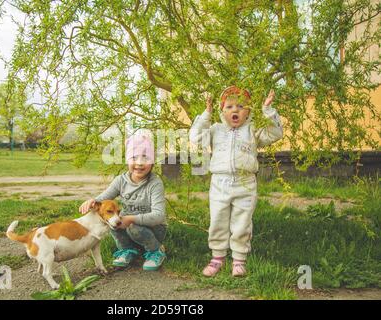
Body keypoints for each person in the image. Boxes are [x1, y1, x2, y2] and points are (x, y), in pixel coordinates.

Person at [189, 85, 283, 277]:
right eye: (229, 106)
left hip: (245, 183)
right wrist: (206, 114)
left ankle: (239, 259)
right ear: (222, 111)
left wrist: (268, 111)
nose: (235, 110)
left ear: (248, 110)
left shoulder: (252, 130)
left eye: (240, 106)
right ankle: (217, 258)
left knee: (242, 221)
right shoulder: (215, 129)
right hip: (220, 183)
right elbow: (195, 137)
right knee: (218, 219)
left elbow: (276, 134)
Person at [79, 134, 167, 271]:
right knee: (113, 221)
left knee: (133, 226)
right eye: (134, 158)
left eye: (145, 157)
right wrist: (93, 201)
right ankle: (128, 250)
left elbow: (159, 215)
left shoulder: (155, 183)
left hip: (154, 228)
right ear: (127, 160)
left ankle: (156, 250)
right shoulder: (121, 180)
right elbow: (104, 198)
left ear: (153, 162)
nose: (139, 163)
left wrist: (131, 218)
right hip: (128, 225)